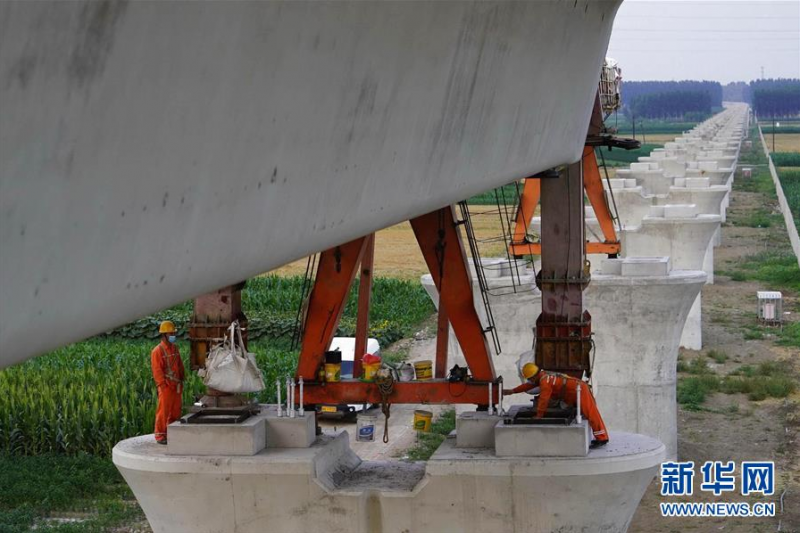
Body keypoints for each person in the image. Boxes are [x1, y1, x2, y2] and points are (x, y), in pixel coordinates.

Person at [503, 363, 609, 449]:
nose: (530, 381)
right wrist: (513, 391)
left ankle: (602, 438)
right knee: (588, 412)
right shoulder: (542, 375)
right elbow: (528, 385)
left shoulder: (545, 382)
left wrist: (539, 415)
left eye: (530, 378)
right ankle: (601, 436)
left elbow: (544, 400)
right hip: (574, 391)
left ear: (534, 376)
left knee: (590, 412)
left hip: (579, 390)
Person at [151, 320, 185, 444]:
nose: (173, 335)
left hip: (176, 385)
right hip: (166, 386)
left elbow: (179, 364)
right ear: (164, 335)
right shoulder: (157, 351)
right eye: (171, 333)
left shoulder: (174, 348)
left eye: (173, 333)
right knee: (163, 411)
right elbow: (157, 370)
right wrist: (162, 385)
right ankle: (160, 435)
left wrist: (182, 377)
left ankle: (172, 433)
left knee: (175, 410)